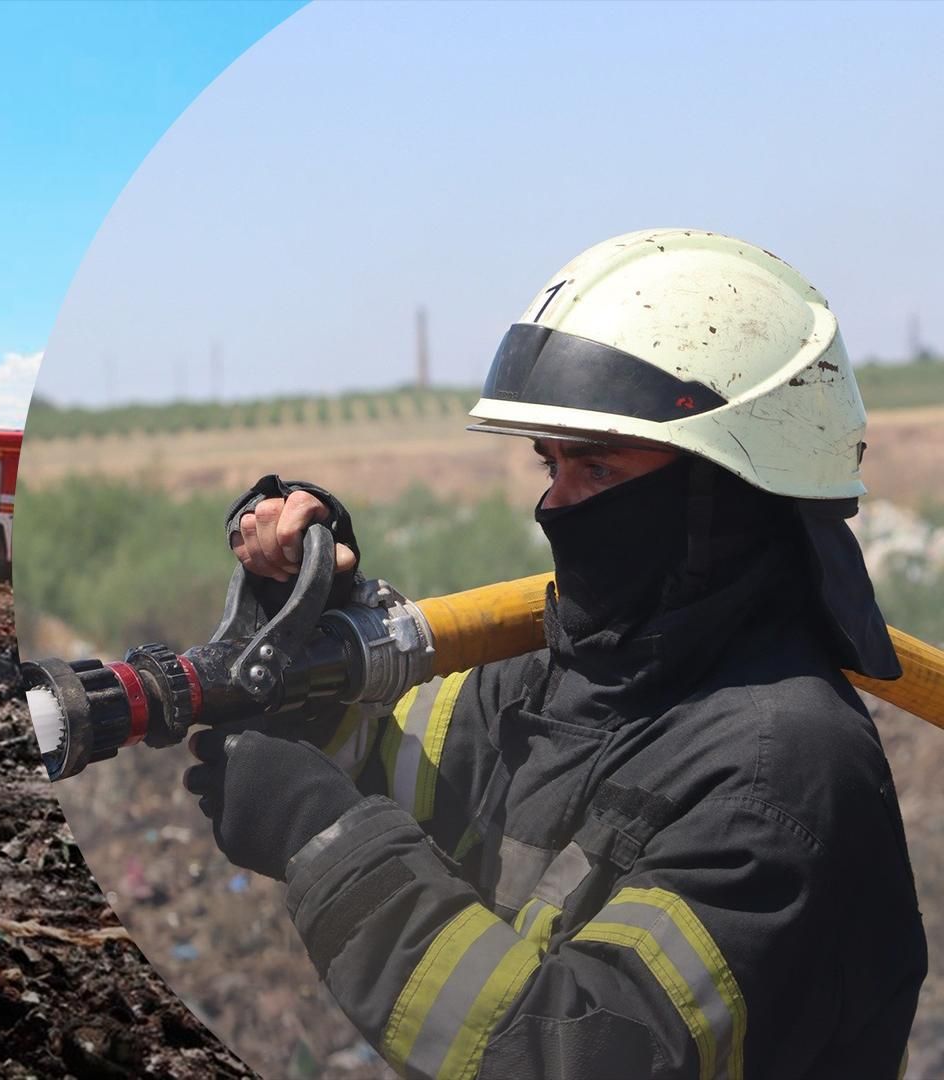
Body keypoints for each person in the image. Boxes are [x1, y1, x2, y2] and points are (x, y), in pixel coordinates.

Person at [182, 229, 924, 1079]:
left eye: (598, 471)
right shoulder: (561, 674)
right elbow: (373, 757)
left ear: (725, 493)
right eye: (551, 462)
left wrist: (325, 839)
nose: (555, 504)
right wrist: (306, 615)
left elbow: (570, 1049)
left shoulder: (782, 772)